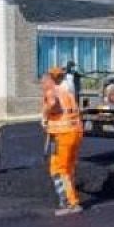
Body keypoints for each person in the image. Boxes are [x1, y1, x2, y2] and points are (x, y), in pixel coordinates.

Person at [42, 66, 83, 215]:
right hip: (75, 133)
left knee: (60, 169)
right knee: (67, 167)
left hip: (63, 135)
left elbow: (52, 104)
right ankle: (67, 198)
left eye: (43, 81)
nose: (42, 84)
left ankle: (70, 203)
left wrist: (44, 116)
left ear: (50, 79)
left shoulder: (52, 91)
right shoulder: (68, 93)